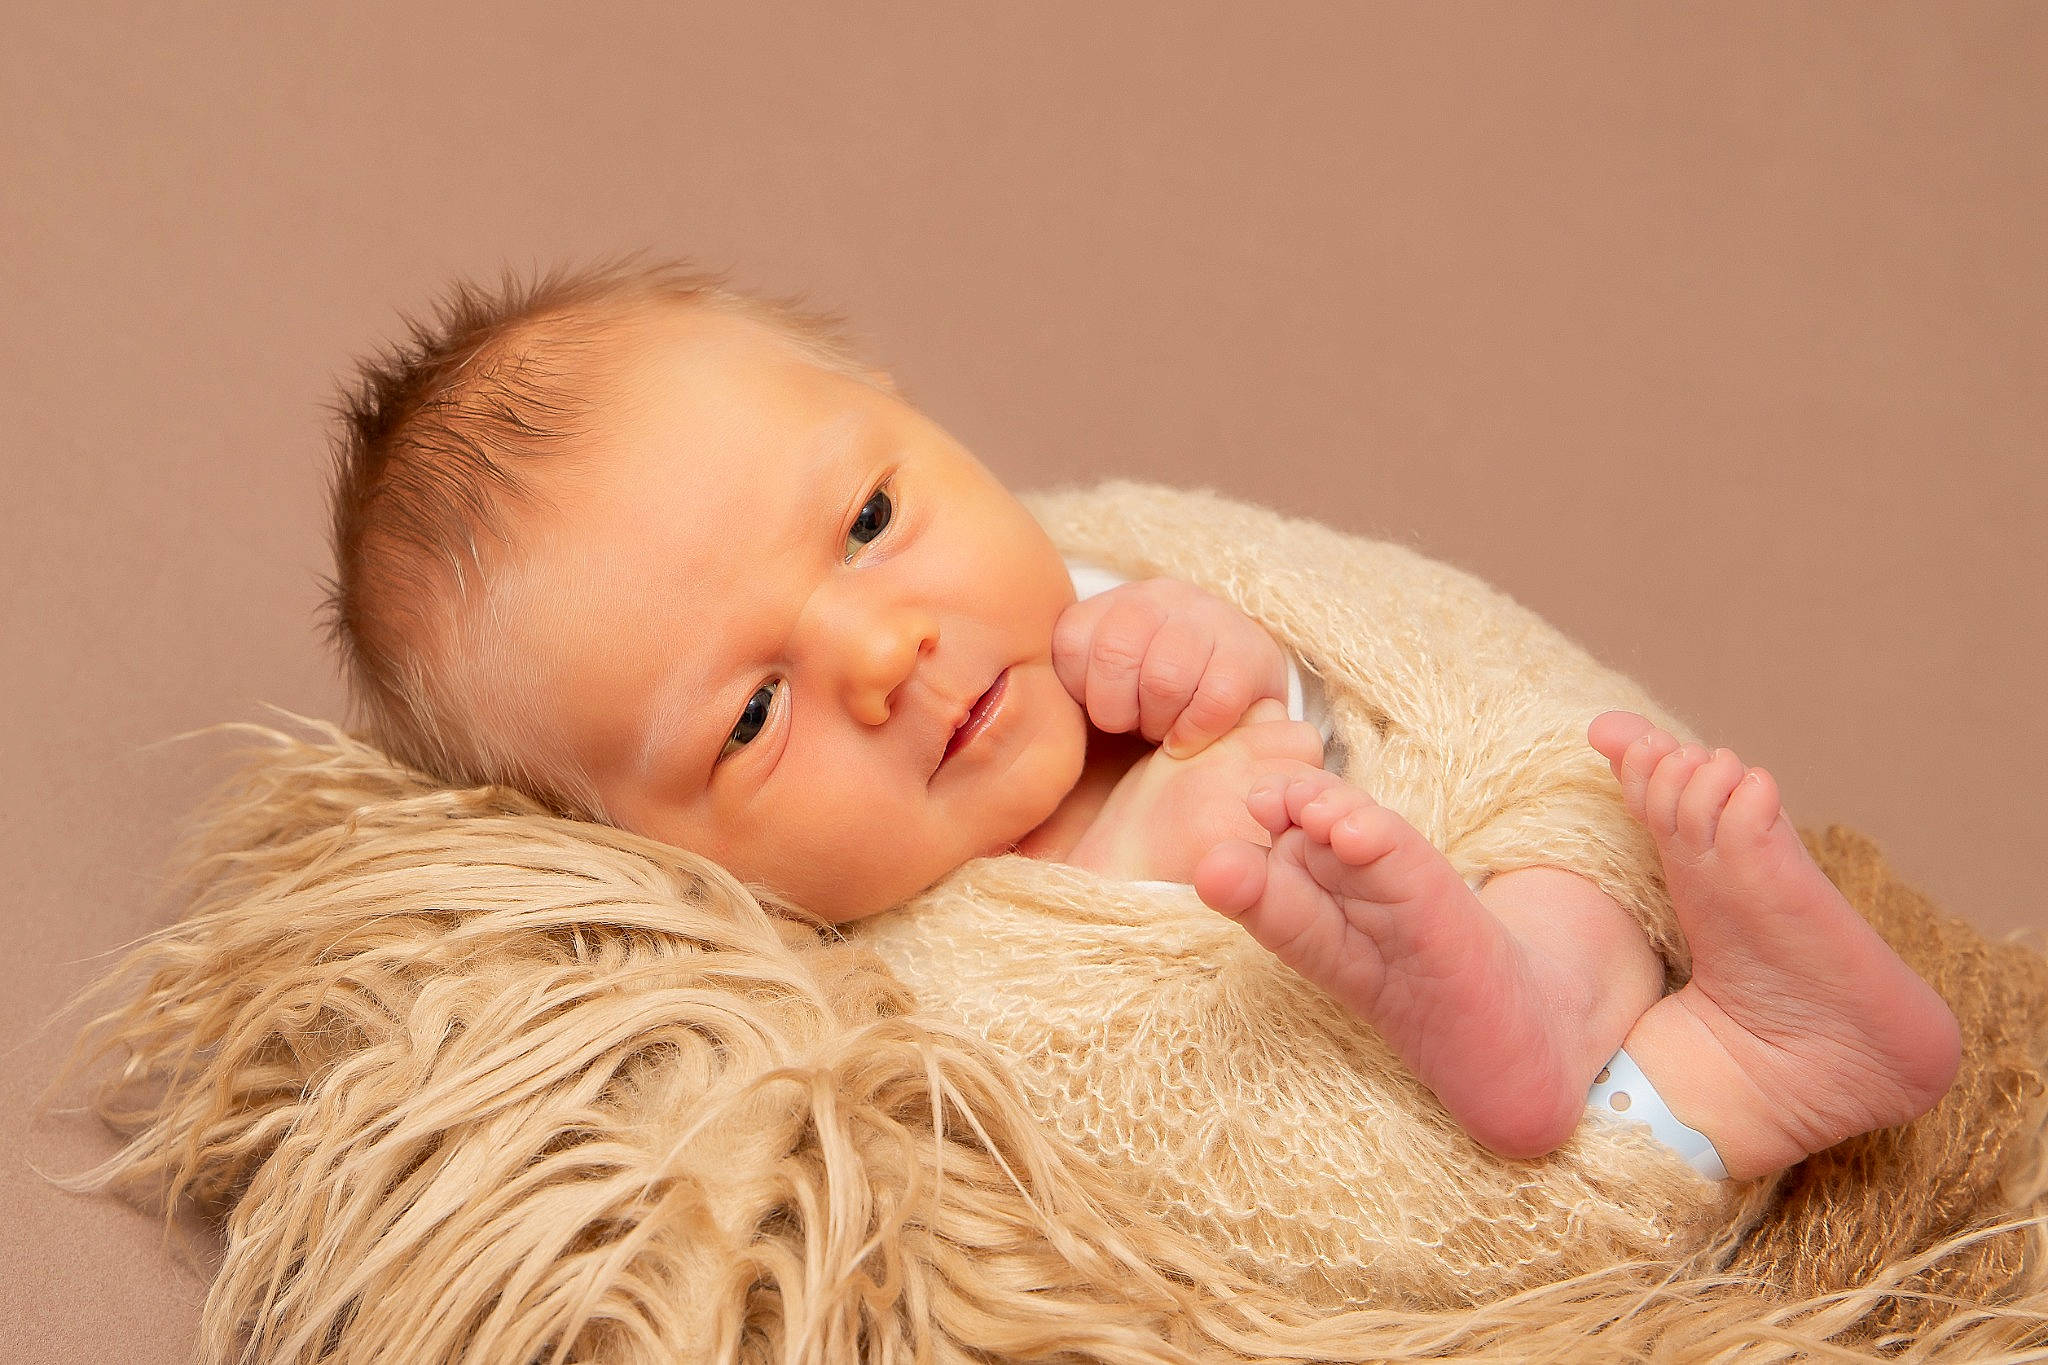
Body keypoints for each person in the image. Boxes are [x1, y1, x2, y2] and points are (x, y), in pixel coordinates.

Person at [324, 260, 1959, 1185]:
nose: (883, 649)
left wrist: (1228, 655)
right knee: (1514, 1161)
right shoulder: (875, 972)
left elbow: (1378, 693)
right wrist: (1138, 872)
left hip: (1469, 916)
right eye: (753, 713)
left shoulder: (1111, 598)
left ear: (913, 413)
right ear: (641, 853)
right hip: (1388, 1123)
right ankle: (1752, 1065)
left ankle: (1567, 994)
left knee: (1548, 838)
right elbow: (1100, 1105)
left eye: (871, 520)